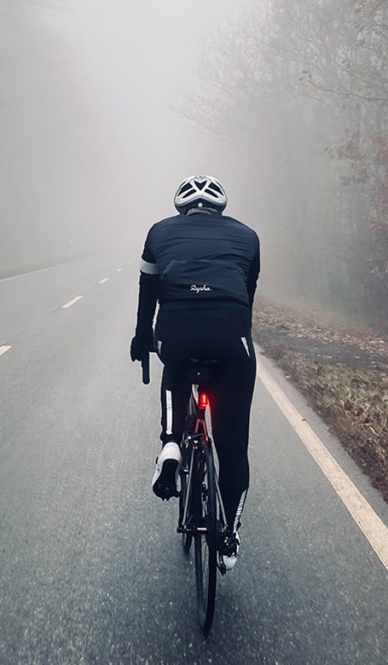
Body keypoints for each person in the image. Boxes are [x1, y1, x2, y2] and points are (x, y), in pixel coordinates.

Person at [130, 175, 260, 570]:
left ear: (180, 207)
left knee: (177, 366)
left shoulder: (158, 232)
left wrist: (142, 340)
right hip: (231, 336)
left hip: (178, 332)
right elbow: (246, 293)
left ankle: (170, 444)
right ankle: (229, 535)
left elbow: (147, 292)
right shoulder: (249, 237)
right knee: (233, 449)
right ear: (221, 207)